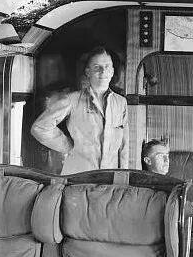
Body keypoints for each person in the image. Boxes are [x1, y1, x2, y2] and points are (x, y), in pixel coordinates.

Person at [31, 46, 129, 174]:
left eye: (107, 67)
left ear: (112, 71)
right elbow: (40, 128)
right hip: (78, 176)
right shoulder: (71, 100)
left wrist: (124, 177)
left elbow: (124, 145)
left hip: (109, 178)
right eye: (97, 67)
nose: (103, 71)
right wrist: (68, 146)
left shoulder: (121, 103)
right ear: (88, 72)